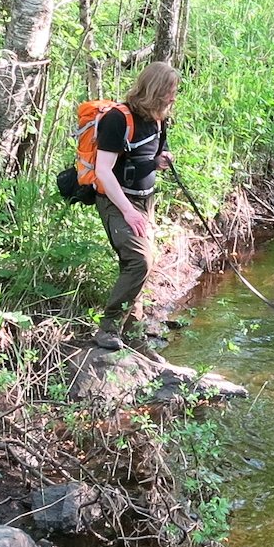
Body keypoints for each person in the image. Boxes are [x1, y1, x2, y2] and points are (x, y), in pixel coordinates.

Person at [92, 61, 178, 350]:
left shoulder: (158, 118)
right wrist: (127, 211)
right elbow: (103, 169)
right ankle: (108, 329)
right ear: (154, 90)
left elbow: (155, 150)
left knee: (142, 265)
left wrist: (161, 160)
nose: (173, 98)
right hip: (117, 201)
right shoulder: (117, 119)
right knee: (140, 261)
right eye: (169, 92)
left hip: (145, 200)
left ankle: (134, 331)